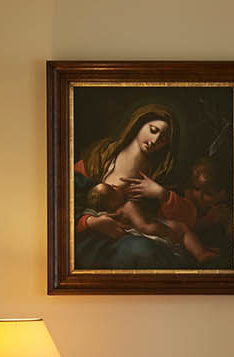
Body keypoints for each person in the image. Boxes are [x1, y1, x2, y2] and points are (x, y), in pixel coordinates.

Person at [72, 104, 212, 269]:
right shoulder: (100, 156)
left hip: (139, 237)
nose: (155, 141)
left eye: (163, 138)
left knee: (148, 251)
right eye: (153, 130)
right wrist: (90, 222)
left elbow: (188, 219)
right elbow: (67, 198)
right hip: (97, 242)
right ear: (138, 124)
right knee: (141, 250)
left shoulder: (161, 172)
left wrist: (162, 194)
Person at [82, 181, 217, 264]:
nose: (114, 185)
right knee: (181, 228)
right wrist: (166, 231)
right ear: (112, 203)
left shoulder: (107, 214)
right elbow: (145, 226)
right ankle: (201, 254)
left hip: (137, 237)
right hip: (152, 234)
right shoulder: (128, 206)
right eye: (111, 189)